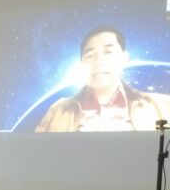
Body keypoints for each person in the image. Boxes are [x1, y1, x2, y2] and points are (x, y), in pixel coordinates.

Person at [36, 25, 170, 132]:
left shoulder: (162, 105)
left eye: (108, 52)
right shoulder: (59, 109)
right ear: (82, 63)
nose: (99, 61)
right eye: (90, 55)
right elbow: (37, 155)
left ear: (124, 58)